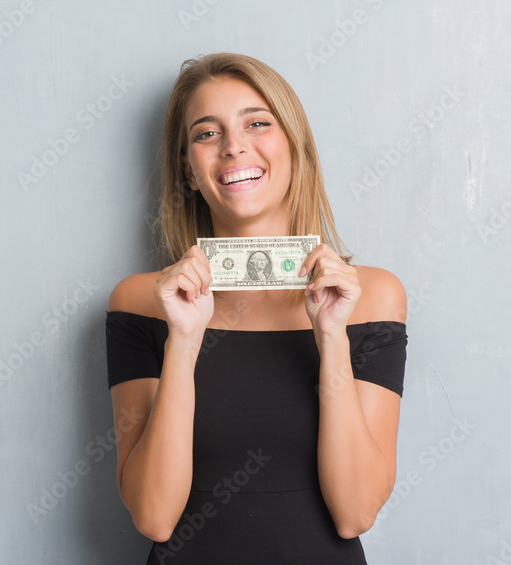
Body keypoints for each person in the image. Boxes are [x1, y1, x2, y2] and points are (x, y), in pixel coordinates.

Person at [105, 52, 409, 564]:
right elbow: (154, 516)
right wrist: (183, 341)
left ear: (295, 144)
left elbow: (354, 512)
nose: (233, 147)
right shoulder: (141, 302)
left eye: (258, 123)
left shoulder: (372, 296)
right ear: (188, 168)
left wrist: (332, 336)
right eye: (206, 133)